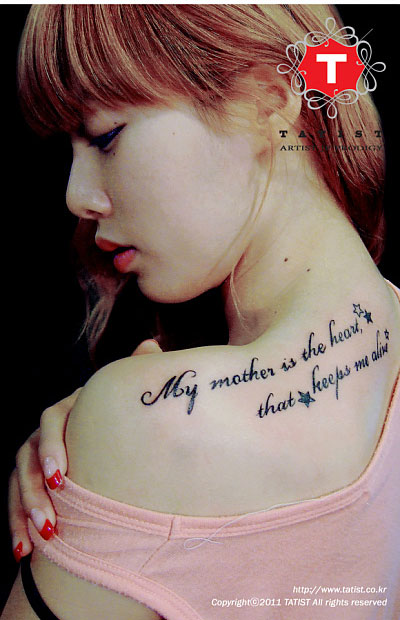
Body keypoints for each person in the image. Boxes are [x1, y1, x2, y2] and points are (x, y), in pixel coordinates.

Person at [3, 4, 400, 619]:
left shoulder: (147, 427)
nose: (78, 197)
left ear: (266, 101)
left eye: (106, 135)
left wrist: (112, 437)